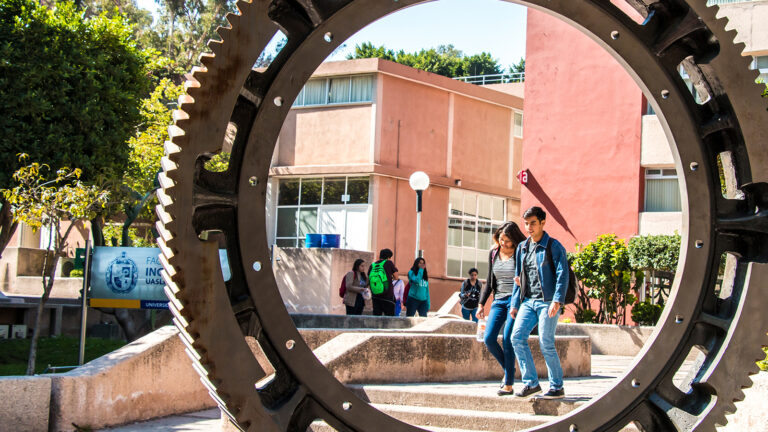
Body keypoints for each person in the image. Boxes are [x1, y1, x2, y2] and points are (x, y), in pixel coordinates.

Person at [510, 206, 569, 399]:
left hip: (548, 302)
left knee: (546, 342)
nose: (529, 227)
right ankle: (531, 383)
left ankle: (557, 386)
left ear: (543, 223)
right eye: (526, 223)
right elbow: (518, 278)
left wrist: (557, 300)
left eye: (533, 223)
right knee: (516, 338)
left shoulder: (554, 246)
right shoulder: (522, 247)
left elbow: (562, 274)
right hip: (528, 301)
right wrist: (514, 304)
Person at [477, 222, 527, 396]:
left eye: (507, 240)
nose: (503, 243)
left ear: (514, 240)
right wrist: (481, 304)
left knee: (507, 339)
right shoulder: (493, 254)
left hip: (515, 301)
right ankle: (509, 370)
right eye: (500, 239)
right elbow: (490, 281)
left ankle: (508, 384)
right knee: (489, 339)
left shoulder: (520, 253)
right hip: (498, 301)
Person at [368, 248, 398, 316]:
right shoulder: (389, 263)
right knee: (390, 318)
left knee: (376, 318)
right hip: (387, 296)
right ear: (388, 257)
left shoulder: (372, 265)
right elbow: (396, 277)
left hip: (375, 296)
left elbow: (369, 278)